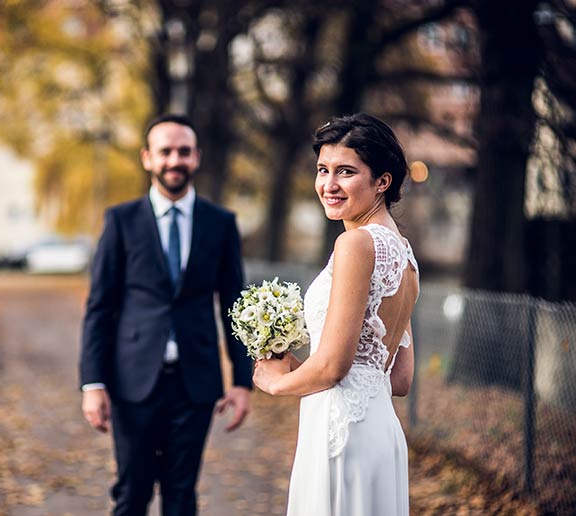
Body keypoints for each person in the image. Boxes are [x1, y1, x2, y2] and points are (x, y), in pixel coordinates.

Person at [79, 114, 252, 516]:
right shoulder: (121, 221)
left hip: (196, 384)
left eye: (184, 152)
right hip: (132, 383)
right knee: (131, 494)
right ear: (147, 158)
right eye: (166, 151)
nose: (175, 160)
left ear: (197, 158)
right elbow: (100, 307)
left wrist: (242, 382)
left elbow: (234, 305)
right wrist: (92, 382)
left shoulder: (221, 223)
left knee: (181, 497)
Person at [253, 113, 419, 516]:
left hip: (341, 432)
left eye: (346, 172)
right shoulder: (406, 257)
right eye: (323, 170)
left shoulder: (356, 245)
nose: (328, 185)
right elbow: (398, 377)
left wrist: (278, 382)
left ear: (383, 181)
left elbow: (334, 368)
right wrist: (306, 365)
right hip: (379, 430)